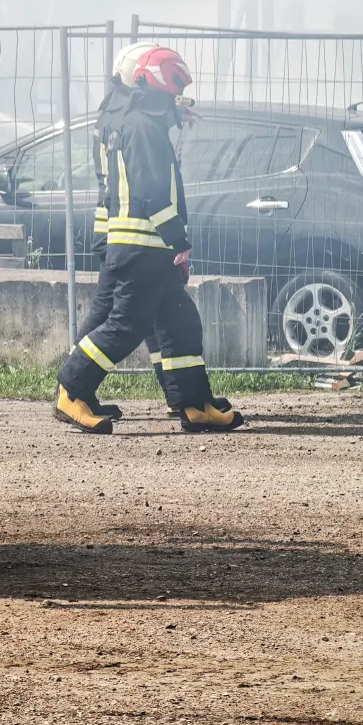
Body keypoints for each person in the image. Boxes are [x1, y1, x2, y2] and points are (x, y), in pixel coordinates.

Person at [52, 43, 246, 436]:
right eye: (173, 93)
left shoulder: (134, 118)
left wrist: (175, 112)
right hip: (143, 245)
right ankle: (72, 389)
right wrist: (178, 240)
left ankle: (195, 404)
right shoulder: (141, 128)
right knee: (126, 324)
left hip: (145, 245)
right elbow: (150, 191)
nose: (176, 100)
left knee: (181, 324)